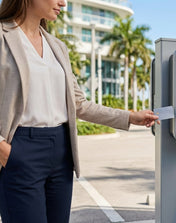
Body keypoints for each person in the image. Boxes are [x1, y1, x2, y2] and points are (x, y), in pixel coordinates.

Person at [0, 0, 159, 222]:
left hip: (61, 152)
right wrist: (3, 150)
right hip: (20, 148)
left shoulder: (57, 46)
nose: (63, 3)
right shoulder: (2, 36)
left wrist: (130, 117)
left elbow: (78, 104)